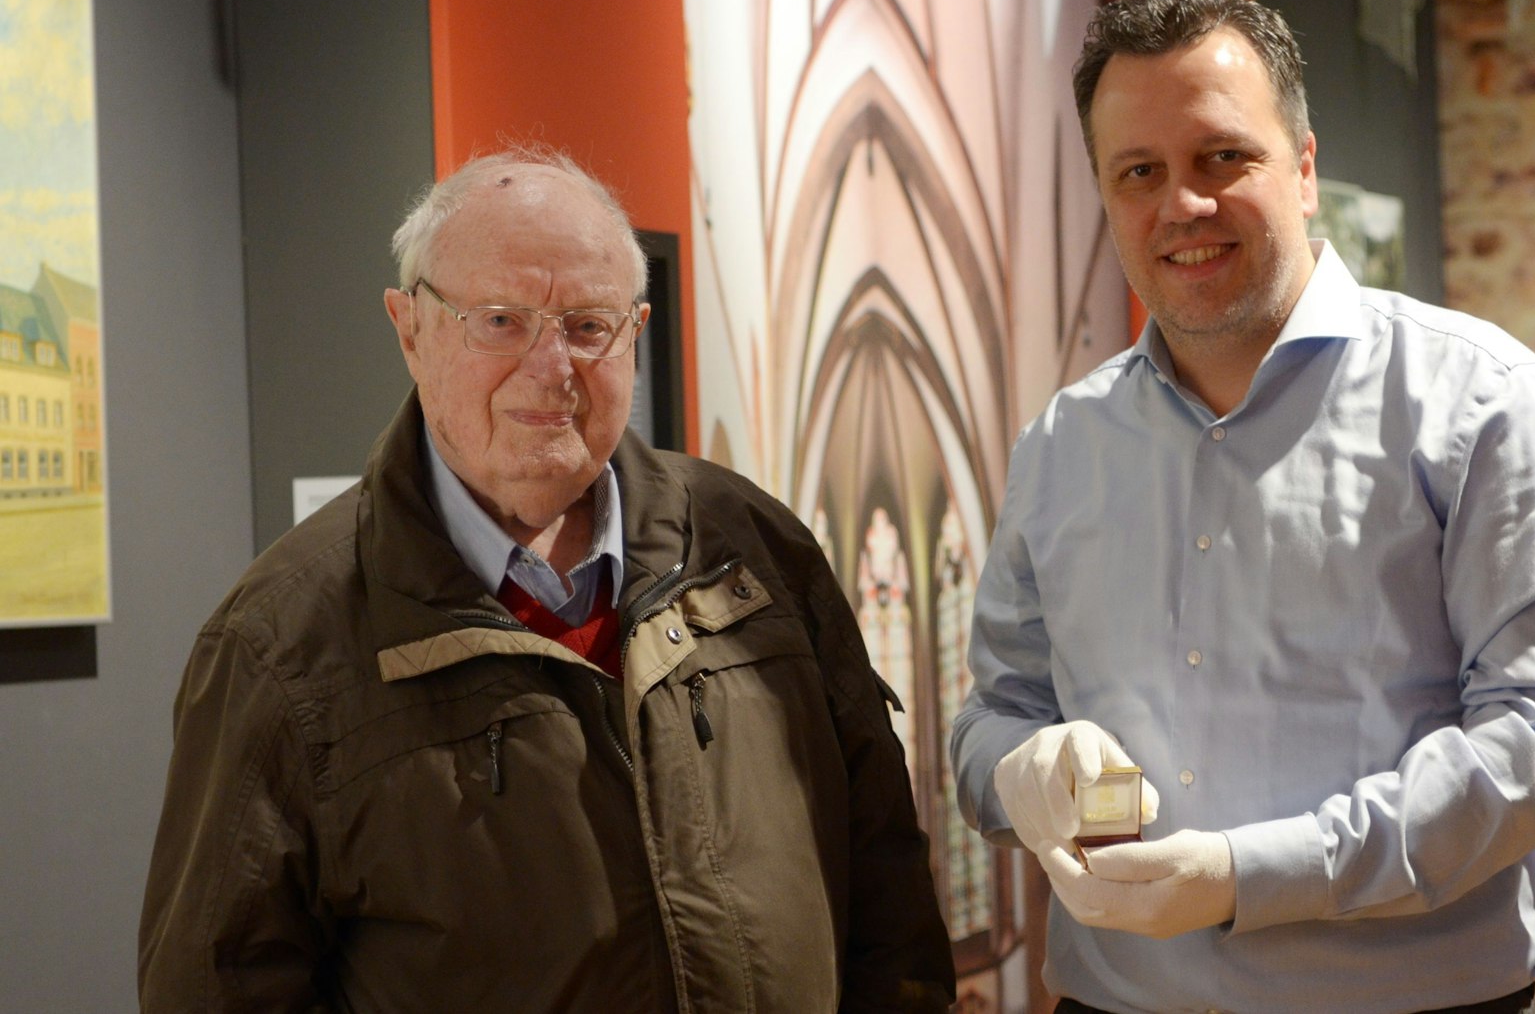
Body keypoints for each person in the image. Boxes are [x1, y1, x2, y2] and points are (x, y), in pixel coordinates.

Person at [139, 147, 954, 1011]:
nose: (550, 365)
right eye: (499, 320)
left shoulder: (756, 551)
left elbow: (888, 904)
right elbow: (217, 987)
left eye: (588, 324)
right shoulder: (281, 644)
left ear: (635, 333)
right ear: (409, 328)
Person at [950, 0, 1535, 1014]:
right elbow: (993, 716)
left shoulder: (1481, 400)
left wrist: (1244, 875)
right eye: (1139, 171)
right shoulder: (1061, 444)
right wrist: (1020, 771)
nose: (1180, 204)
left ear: (1304, 169)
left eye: (1222, 157)